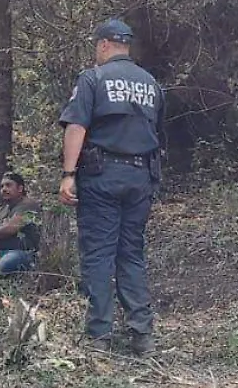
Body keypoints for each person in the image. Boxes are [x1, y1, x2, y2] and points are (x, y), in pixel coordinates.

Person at [59, 19, 162, 354]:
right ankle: (141, 335)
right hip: (140, 178)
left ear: (104, 45)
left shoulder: (93, 78)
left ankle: (100, 336)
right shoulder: (150, 83)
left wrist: (68, 173)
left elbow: (76, 126)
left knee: (99, 254)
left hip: (103, 177)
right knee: (131, 252)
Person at [0, 172, 42, 276]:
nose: (4, 189)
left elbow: (11, 229)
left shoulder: (29, 205)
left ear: (20, 188)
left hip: (23, 253)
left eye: (8, 185)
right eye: (2, 186)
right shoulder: (0, 212)